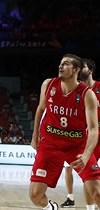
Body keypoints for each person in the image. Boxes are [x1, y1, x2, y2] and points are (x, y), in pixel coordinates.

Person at [30, 54, 100, 210]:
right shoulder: (48, 84)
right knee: (35, 195)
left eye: (66, 64)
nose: (60, 66)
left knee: (97, 193)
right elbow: (41, 109)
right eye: (60, 63)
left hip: (77, 146)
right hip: (50, 145)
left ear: (76, 70)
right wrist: (35, 135)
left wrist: (87, 154)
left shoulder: (87, 94)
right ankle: (50, 207)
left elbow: (94, 129)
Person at [60, 58, 100, 209]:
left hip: (97, 132)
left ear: (90, 70)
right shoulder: (78, 90)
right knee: (87, 175)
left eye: (82, 67)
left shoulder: (98, 88)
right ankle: (85, 205)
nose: (79, 69)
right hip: (87, 135)